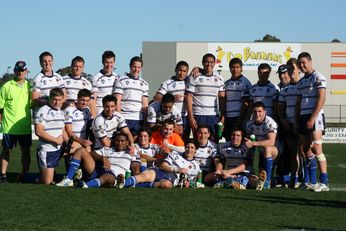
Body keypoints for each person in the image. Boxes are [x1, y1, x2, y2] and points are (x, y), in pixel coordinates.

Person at [296, 52, 329, 192]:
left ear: (310, 61)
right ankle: (313, 182)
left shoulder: (318, 77)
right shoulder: (302, 81)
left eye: (304, 62)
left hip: (314, 117)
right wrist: (298, 119)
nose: (302, 65)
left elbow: (322, 98)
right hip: (303, 116)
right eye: (300, 63)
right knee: (306, 150)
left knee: (317, 149)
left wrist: (313, 117)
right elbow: (299, 102)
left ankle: (324, 182)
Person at [58, 132, 136, 188]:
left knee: (108, 176)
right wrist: (103, 157)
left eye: (122, 141)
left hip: (113, 176)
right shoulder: (108, 150)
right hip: (99, 170)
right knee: (81, 150)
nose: (119, 143)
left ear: (127, 143)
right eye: (117, 141)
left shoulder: (131, 153)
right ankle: (68, 180)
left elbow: (137, 166)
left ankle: (86, 185)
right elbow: (92, 153)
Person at [123, 139, 203, 189]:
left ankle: (134, 185)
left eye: (192, 148)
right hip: (161, 172)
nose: (189, 150)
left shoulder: (195, 166)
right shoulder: (175, 154)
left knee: (167, 185)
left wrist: (187, 184)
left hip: (171, 181)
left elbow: (194, 182)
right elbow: (163, 165)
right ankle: (122, 183)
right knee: (145, 176)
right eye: (187, 147)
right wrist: (177, 169)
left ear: (196, 150)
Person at [0, 61, 32, 182]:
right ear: (14, 71)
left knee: (26, 152)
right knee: (6, 151)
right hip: (9, 126)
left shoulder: (30, 87)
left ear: (26, 71)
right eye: (18, 70)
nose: (20, 72)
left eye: (22, 70)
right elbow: (0, 107)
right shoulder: (6, 87)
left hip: (24, 126)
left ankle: (24, 174)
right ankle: (2, 175)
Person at [186, 53, 225, 142]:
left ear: (215, 63)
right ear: (202, 63)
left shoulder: (219, 78)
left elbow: (222, 99)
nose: (209, 64)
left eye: (211, 62)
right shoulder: (194, 76)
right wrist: (191, 117)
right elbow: (189, 97)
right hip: (199, 115)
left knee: (214, 141)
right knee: (198, 141)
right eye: (206, 62)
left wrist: (223, 116)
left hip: (213, 116)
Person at [276, 61, 301, 188]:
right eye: (289, 69)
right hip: (289, 125)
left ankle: (306, 179)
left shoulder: (304, 85)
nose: (291, 72)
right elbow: (280, 109)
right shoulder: (284, 89)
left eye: (292, 69)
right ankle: (294, 178)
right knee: (292, 152)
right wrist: (284, 122)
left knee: (305, 152)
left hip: (302, 124)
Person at [35, 88, 66, 184]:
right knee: (47, 182)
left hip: (58, 149)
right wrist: (55, 140)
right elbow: (38, 131)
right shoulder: (43, 110)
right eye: (54, 100)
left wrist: (68, 142)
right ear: (50, 98)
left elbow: (62, 130)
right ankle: (33, 179)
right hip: (47, 149)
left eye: (59, 100)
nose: (57, 102)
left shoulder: (60, 111)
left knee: (76, 151)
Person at [245, 101, 280, 190]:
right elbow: (248, 141)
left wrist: (253, 143)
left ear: (265, 112)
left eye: (260, 111)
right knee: (261, 177)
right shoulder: (249, 124)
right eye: (255, 112)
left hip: (274, 152)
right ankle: (279, 179)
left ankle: (267, 182)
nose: (257, 114)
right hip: (261, 153)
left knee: (268, 148)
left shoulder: (270, 122)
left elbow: (271, 142)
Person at [113, 56, 149, 138]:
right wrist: (119, 118)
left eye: (139, 67)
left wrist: (145, 121)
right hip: (125, 117)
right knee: (124, 143)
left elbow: (145, 105)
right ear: (130, 66)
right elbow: (117, 101)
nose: (136, 69)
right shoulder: (121, 81)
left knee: (135, 145)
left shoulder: (144, 84)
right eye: (134, 67)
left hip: (138, 119)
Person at [153, 61, 190, 139]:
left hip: (185, 117)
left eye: (184, 71)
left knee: (184, 141)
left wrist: (197, 68)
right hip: (172, 118)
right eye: (180, 70)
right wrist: (172, 98)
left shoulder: (189, 82)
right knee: (171, 140)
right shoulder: (167, 83)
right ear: (175, 70)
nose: (181, 73)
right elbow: (156, 98)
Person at [223, 58, 252, 140]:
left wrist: (240, 120)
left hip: (238, 118)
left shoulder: (244, 82)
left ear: (241, 69)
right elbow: (224, 101)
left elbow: (246, 103)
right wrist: (223, 117)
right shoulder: (227, 83)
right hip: (228, 118)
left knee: (238, 141)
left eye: (237, 67)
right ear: (229, 68)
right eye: (233, 67)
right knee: (228, 139)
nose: (235, 69)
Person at [64, 89, 93, 153]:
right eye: (83, 100)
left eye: (87, 100)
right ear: (77, 98)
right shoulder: (69, 110)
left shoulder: (87, 110)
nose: (85, 103)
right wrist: (81, 141)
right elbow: (68, 131)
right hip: (74, 143)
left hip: (84, 143)